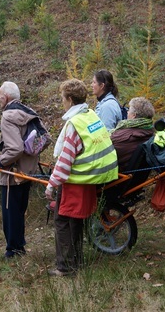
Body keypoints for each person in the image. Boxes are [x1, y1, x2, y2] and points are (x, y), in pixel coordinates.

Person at [44, 79, 118, 276]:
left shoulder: (74, 124)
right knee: (76, 222)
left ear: (69, 99)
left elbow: (65, 160)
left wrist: (51, 184)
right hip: (89, 180)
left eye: (62, 98)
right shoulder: (90, 115)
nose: (62, 102)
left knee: (63, 222)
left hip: (75, 182)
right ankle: (77, 261)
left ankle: (65, 267)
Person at [0, 81, 44, 259]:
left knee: (10, 213)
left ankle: (13, 251)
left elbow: (14, 148)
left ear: (6, 97)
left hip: (12, 174)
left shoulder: (8, 116)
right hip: (27, 172)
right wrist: (30, 156)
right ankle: (20, 246)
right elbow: (45, 139)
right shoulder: (29, 113)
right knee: (19, 211)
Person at [110, 97, 155, 172]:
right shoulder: (149, 132)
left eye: (129, 110)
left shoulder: (125, 135)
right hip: (136, 178)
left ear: (134, 115)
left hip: (116, 177)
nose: (127, 112)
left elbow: (105, 152)